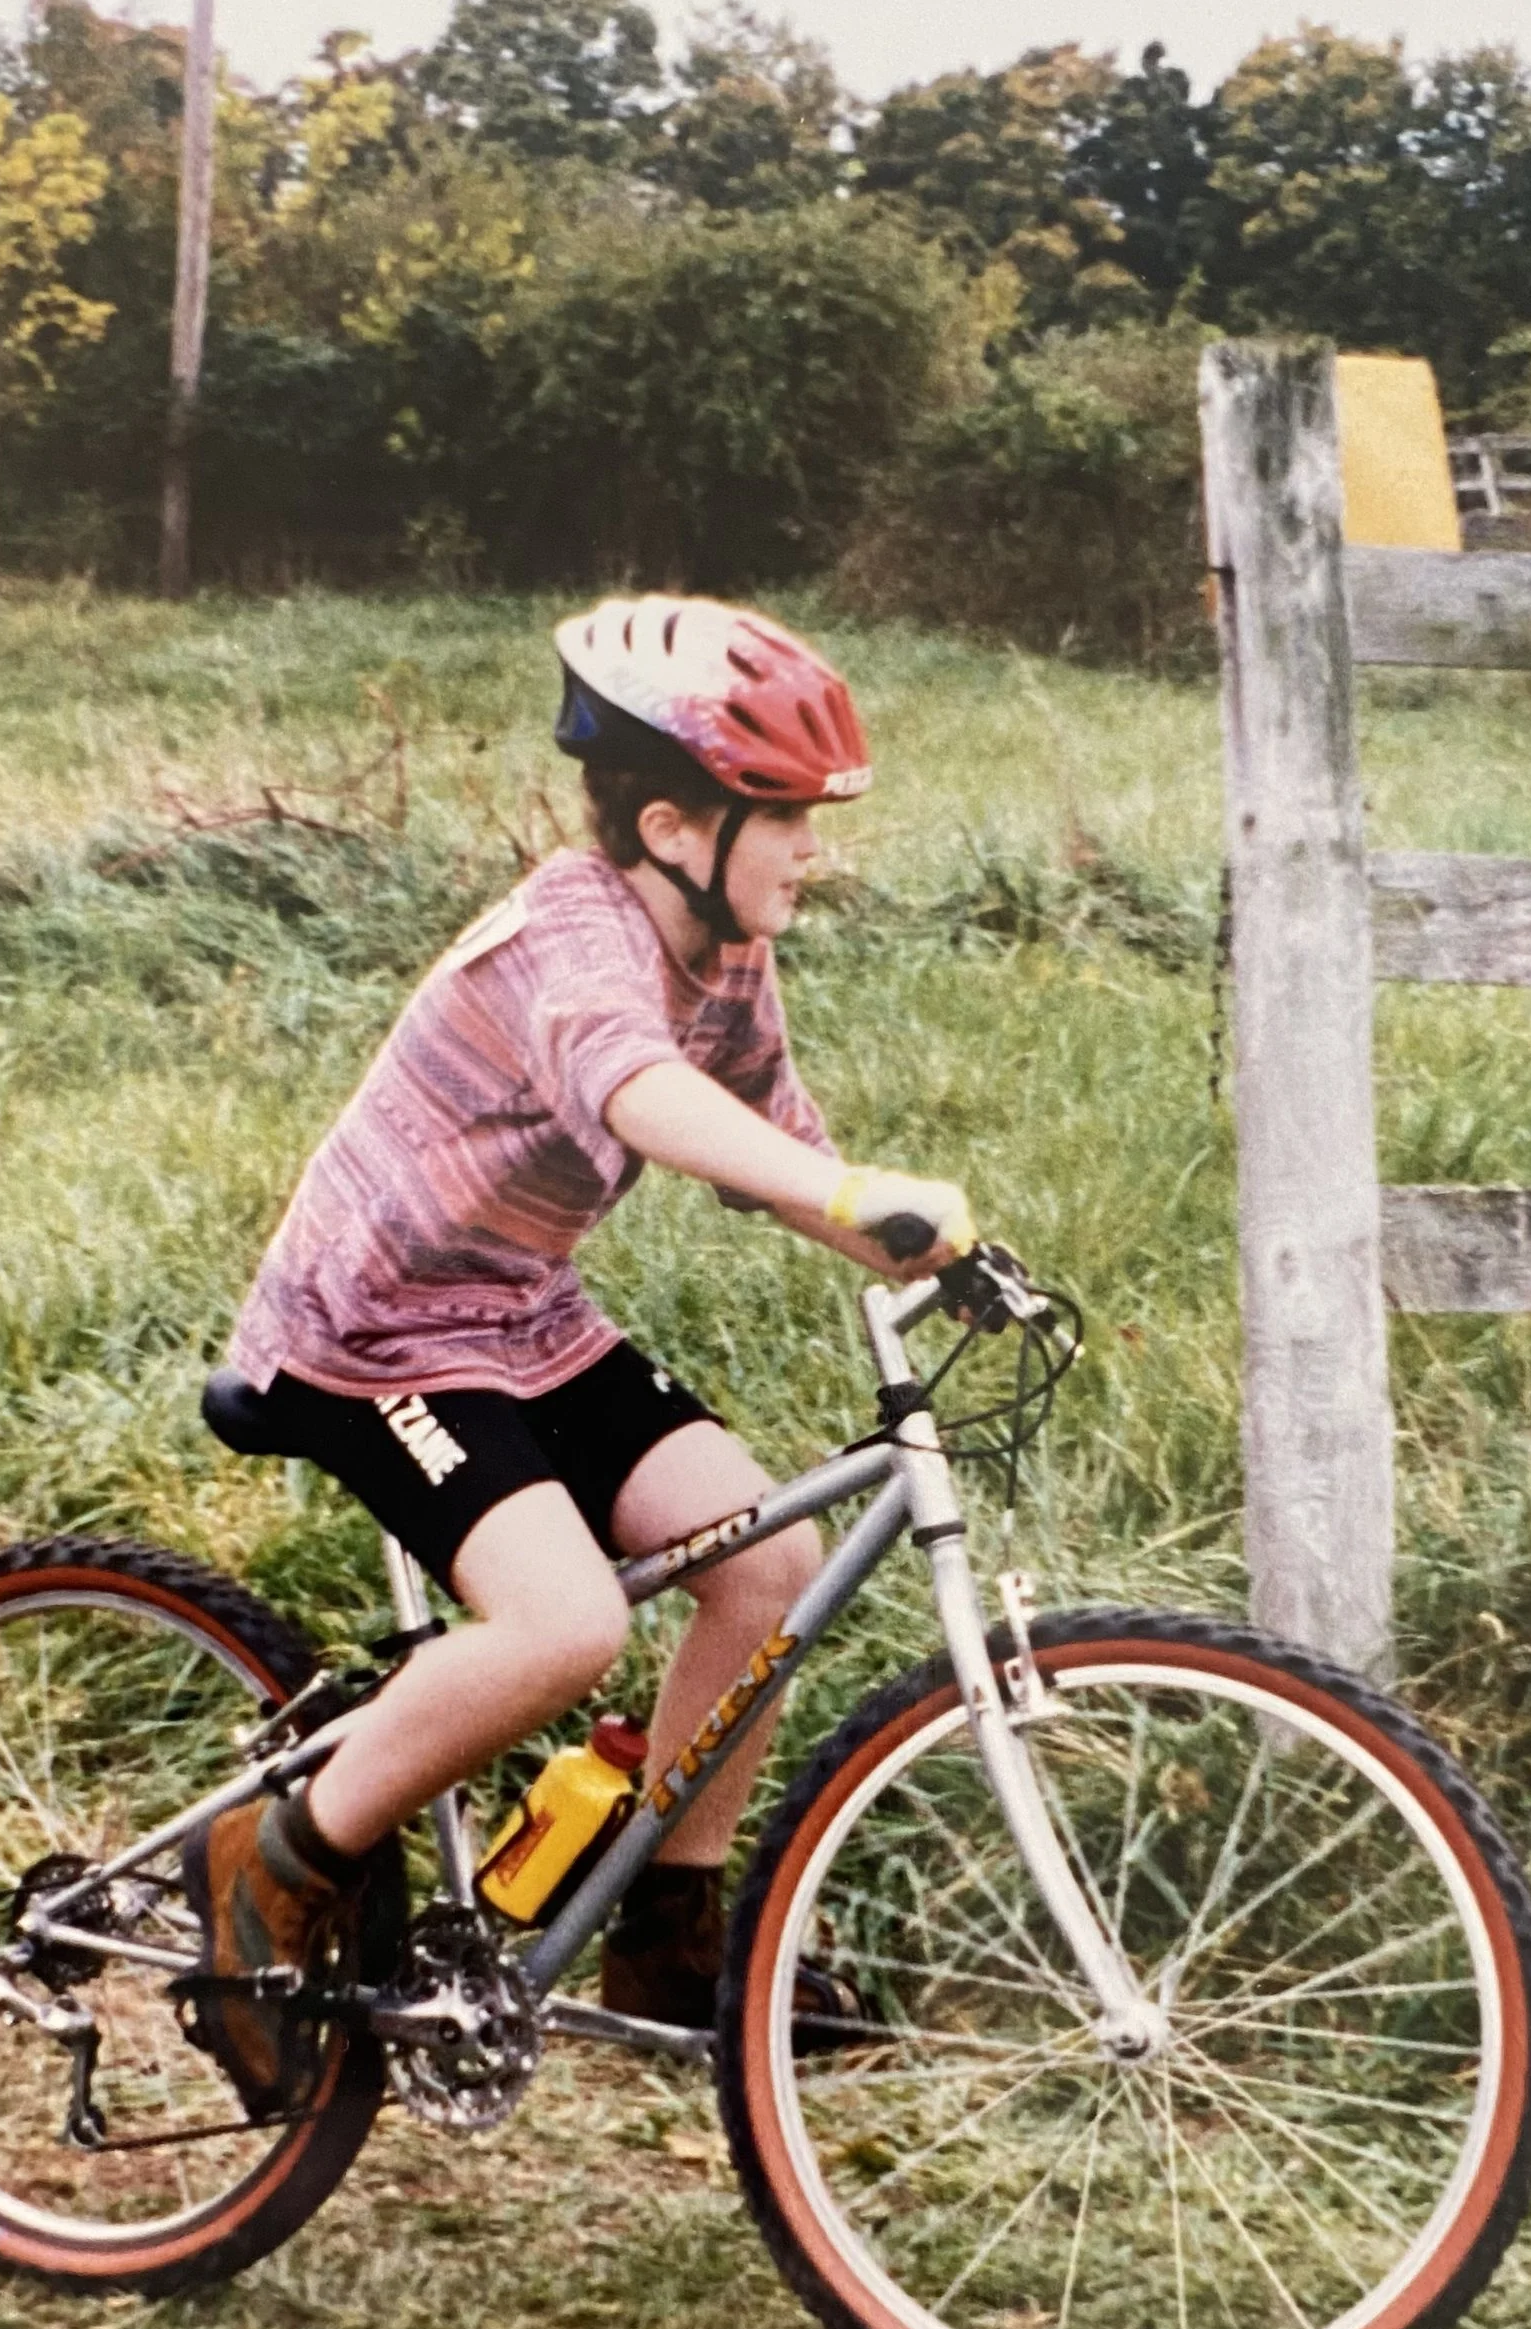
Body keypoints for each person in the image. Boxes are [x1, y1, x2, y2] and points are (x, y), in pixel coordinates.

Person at [191, 593, 973, 2057]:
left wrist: (913, 1237)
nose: (815, 844)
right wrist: (853, 1188)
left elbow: (768, 1137)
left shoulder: (731, 949)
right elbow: (642, 1097)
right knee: (567, 1625)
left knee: (767, 1562)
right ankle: (270, 1864)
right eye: (786, 812)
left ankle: (665, 1930)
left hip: (522, 1314)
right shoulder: (572, 930)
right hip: (375, 1332)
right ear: (677, 827)